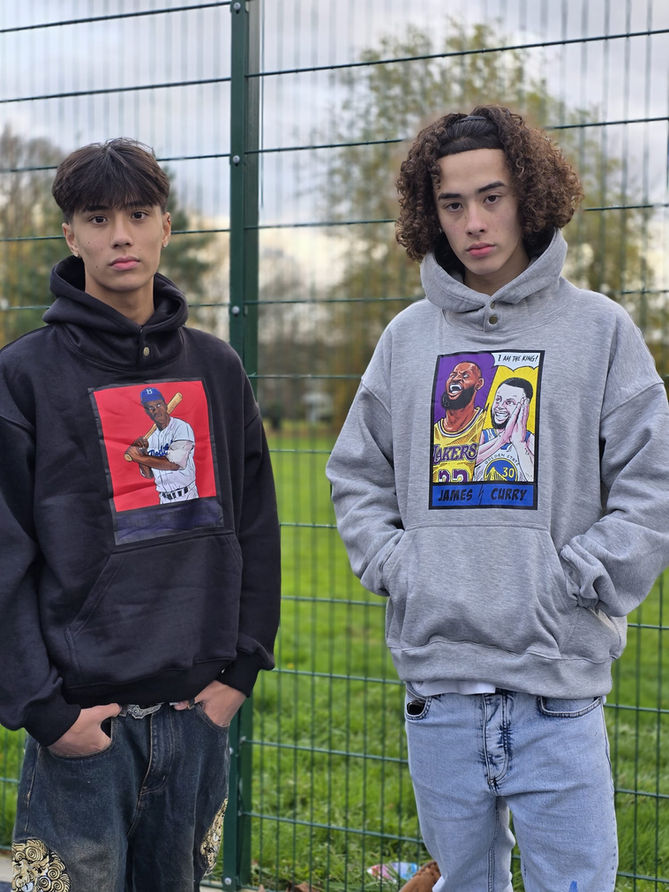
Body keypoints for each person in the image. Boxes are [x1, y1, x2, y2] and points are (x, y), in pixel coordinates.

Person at [325, 106, 669, 891]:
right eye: (452, 204)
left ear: (530, 196)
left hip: (557, 692)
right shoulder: (407, 339)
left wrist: (580, 577)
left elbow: (651, 481)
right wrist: (403, 566)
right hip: (439, 690)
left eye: (492, 197)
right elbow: (356, 474)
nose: (473, 222)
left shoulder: (599, 331)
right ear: (430, 214)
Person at [0, 138, 281, 891]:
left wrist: (241, 670)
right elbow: (3, 553)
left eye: (137, 214)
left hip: (198, 713)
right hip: (82, 725)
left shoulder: (215, 368)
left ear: (166, 226)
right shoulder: (24, 376)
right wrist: (45, 711)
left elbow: (256, 521)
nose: (120, 235)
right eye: (98, 218)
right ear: (70, 234)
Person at [126, 386, 199, 503]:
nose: (156, 410)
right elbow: (148, 474)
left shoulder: (181, 428)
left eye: (159, 405)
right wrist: (141, 453)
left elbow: (174, 464)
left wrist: (138, 457)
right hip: (164, 499)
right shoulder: (150, 438)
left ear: (165, 405)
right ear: (146, 412)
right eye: (151, 408)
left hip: (187, 495)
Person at [474, 376, 535, 482]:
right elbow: (466, 465)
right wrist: (502, 440)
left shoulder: (529, 439)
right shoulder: (482, 436)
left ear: (524, 406)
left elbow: (534, 477)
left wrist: (519, 443)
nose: (500, 406)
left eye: (509, 402)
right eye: (498, 399)